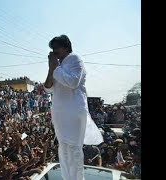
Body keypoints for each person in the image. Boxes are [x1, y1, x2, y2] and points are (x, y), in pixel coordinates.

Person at [43, 35, 103, 180]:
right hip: (59, 111)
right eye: (52, 48)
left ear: (66, 47)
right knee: (62, 148)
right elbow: (47, 88)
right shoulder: (58, 65)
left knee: (74, 149)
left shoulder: (75, 58)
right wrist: (52, 68)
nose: (54, 51)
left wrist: (55, 68)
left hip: (74, 110)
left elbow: (73, 82)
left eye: (56, 47)